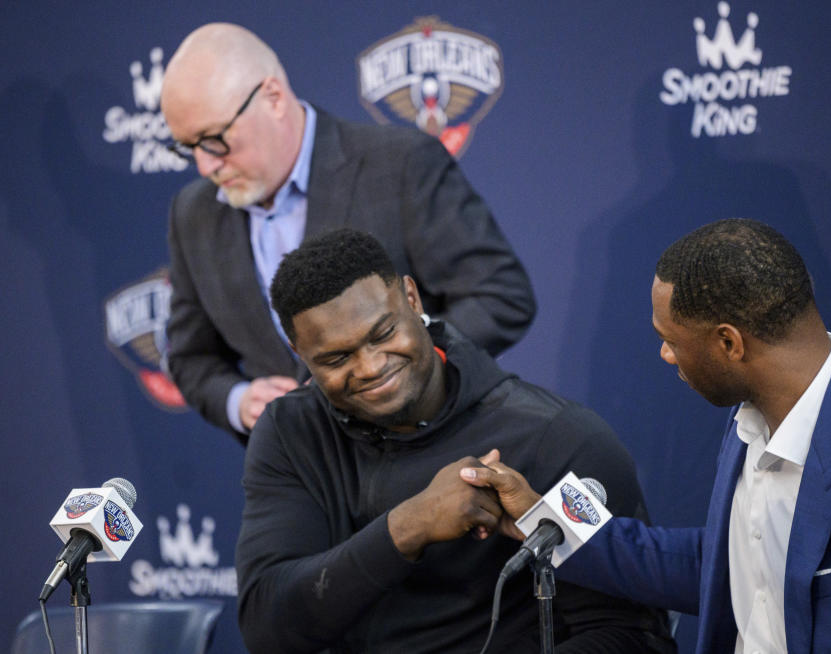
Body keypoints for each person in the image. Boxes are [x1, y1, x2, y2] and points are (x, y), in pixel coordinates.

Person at [461, 219, 831, 653]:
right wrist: (539, 513)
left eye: (670, 340)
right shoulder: (748, 422)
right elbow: (725, 563)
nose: (665, 356)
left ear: (729, 343)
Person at [234, 229, 676, 654]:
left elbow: (636, 637)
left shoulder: (556, 439)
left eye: (384, 334)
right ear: (299, 353)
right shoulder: (292, 430)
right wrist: (408, 526)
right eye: (336, 358)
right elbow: (268, 629)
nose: (369, 367)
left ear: (411, 298)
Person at [160, 23, 536, 443]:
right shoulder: (193, 213)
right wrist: (238, 399)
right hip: (305, 478)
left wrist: (393, 361)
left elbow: (500, 296)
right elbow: (191, 356)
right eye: (187, 146)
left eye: (214, 139)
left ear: (273, 98)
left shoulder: (400, 165)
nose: (205, 166)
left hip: (430, 451)